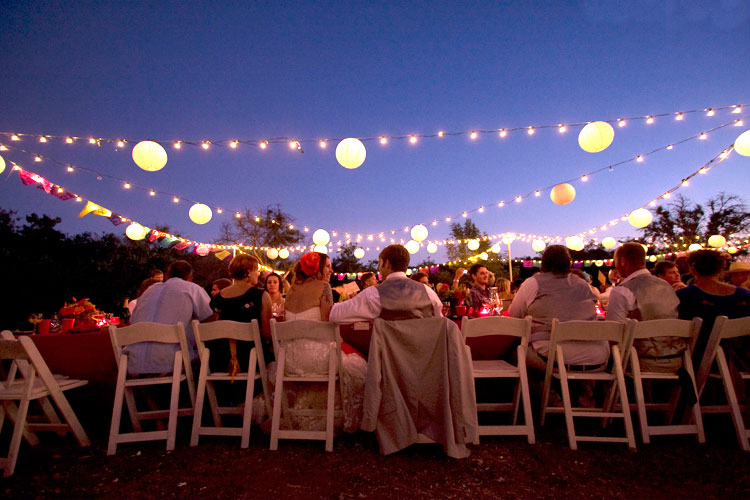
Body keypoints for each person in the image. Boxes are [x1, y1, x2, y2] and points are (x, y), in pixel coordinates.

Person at [271, 252, 366, 432]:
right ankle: (341, 417)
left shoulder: (291, 290)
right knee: (357, 367)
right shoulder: (324, 287)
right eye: (328, 266)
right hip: (317, 362)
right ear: (317, 269)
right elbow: (328, 325)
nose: (331, 270)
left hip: (289, 361)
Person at [509, 245, 605, 370]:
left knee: (514, 355)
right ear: (569, 263)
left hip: (554, 357)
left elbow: (514, 315)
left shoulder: (533, 283)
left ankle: (545, 388)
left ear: (543, 263)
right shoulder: (583, 284)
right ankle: (574, 388)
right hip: (597, 357)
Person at [607, 242, 683, 372]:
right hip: (676, 360)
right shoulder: (666, 286)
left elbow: (613, 333)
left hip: (639, 362)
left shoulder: (623, 290)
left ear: (623, 261)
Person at [128, 260, 214, 374]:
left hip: (134, 360)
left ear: (167, 276)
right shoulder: (192, 289)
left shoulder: (149, 291)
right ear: (190, 278)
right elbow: (210, 320)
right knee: (207, 353)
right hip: (172, 360)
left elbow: (132, 321)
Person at [329, 245, 443, 322]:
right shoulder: (429, 293)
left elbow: (334, 315)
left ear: (387, 263)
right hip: (425, 356)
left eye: (380, 263)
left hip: (388, 357)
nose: (379, 268)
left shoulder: (373, 294)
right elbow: (441, 323)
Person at [677, 250, 750, 363]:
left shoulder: (685, 296)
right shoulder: (744, 295)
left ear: (692, 268)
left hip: (700, 359)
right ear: (721, 269)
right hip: (743, 358)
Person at [209, 254, 273, 374]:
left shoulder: (216, 299)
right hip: (251, 360)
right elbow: (268, 334)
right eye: (257, 270)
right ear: (248, 272)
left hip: (220, 359)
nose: (258, 274)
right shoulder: (260, 295)